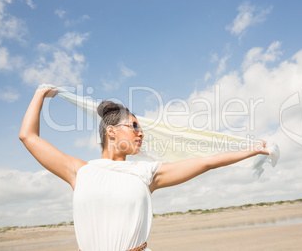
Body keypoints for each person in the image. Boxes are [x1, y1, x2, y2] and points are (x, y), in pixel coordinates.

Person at [19, 87, 270, 251]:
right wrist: (40, 94)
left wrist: (253, 149)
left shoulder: (147, 173)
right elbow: (28, 136)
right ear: (111, 132)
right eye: (134, 127)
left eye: (141, 129)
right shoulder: (79, 171)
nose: (140, 134)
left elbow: (207, 161)